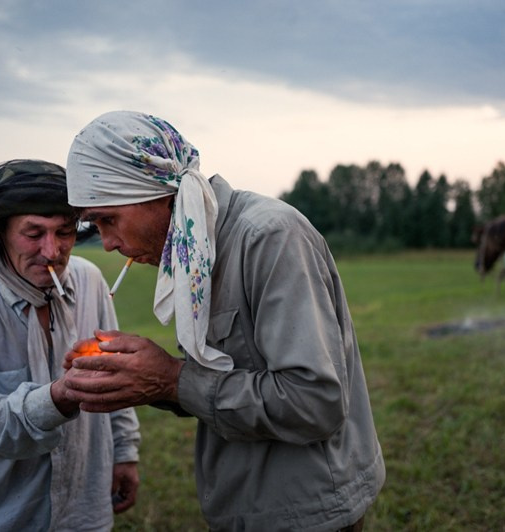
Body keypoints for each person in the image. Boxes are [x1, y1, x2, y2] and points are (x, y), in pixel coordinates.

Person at [61, 111, 385, 531]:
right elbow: (223, 379)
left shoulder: (268, 238)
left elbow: (314, 402)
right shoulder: (194, 251)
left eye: (108, 220)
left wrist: (172, 379)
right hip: (245, 503)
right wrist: (140, 377)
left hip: (305, 511)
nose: (106, 245)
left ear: (156, 193)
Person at [0, 159, 141, 531]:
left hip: (78, 512)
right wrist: (56, 398)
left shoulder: (90, 281)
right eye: (33, 234)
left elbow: (111, 373)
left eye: (64, 232)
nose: (52, 251)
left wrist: (125, 452)